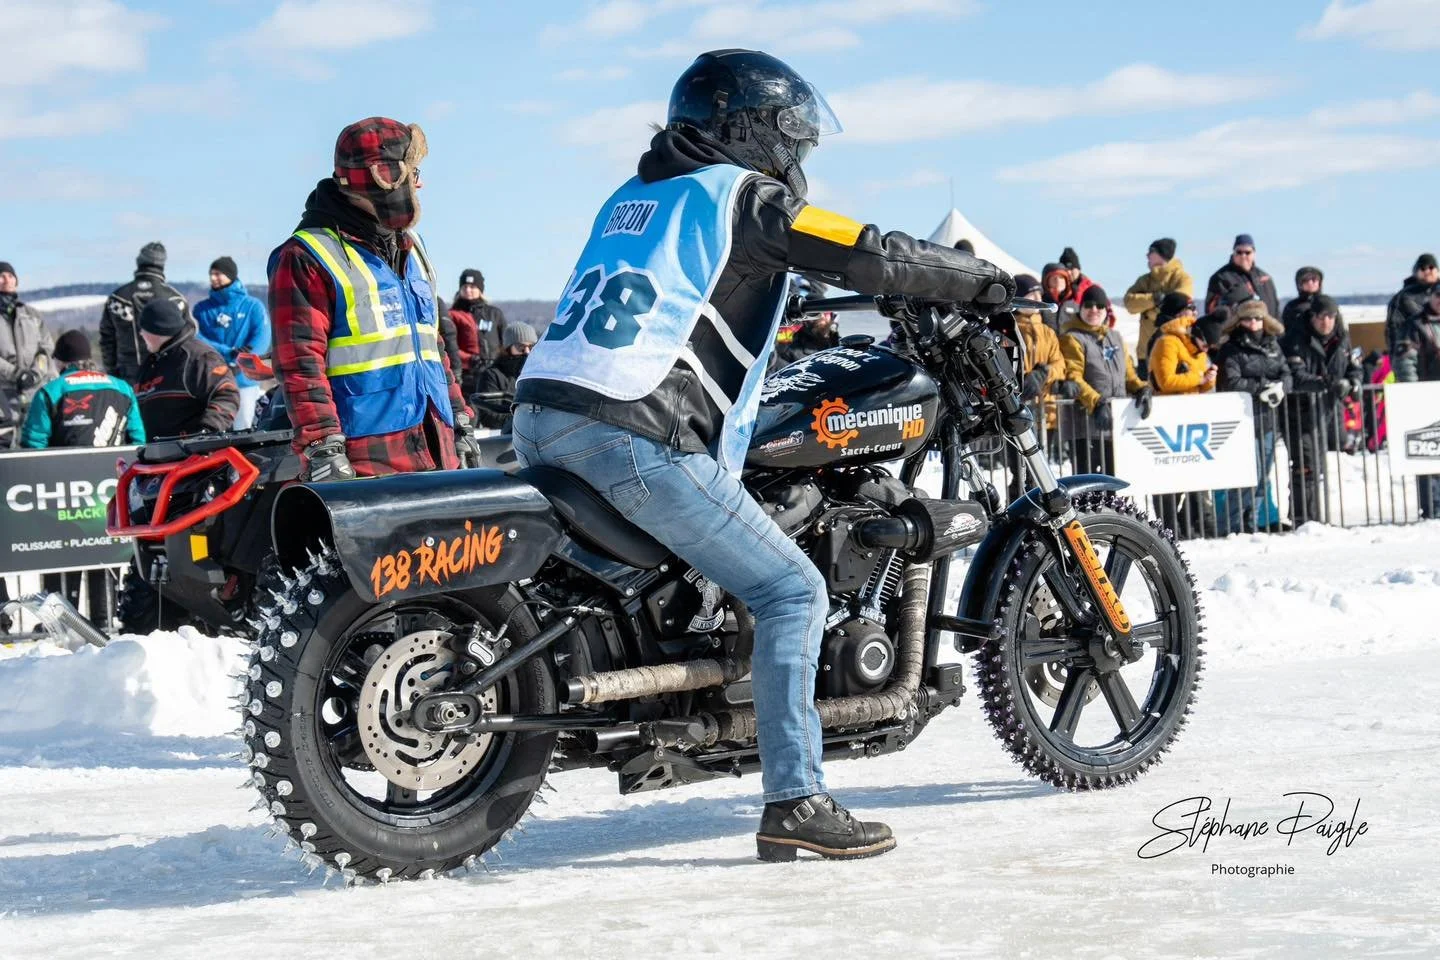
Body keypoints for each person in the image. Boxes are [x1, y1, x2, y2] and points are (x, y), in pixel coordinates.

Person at [513, 49, 1014, 861]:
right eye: (790, 139)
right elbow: (868, 249)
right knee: (791, 589)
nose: (796, 158)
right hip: (633, 430)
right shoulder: (741, 196)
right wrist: (977, 279)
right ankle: (797, 801)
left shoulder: (637, 196)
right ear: (744, 129)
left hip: (544, 415)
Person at [267, 117, 480, 481]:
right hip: (364, 459)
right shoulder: (306, 256)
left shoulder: (413, 249)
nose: (421, 183)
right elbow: (300, 366)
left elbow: (433, 347)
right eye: (414, 174)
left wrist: (459, 420)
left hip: (435, 445)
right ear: (387, 178)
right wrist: (322, 447)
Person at [21, 331, 146, 626]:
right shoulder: (122, 388)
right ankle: (103, 621)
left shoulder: (51, 391)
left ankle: (60, 620)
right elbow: (138, 440)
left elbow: (32, 446)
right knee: (102, 552)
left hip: (60, 494)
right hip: (108, 491)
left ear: (61, 361)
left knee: (60, 555)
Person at [1147, 294, 1220, 537]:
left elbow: (1195, 382)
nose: (1193, 313)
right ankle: (1169, 528)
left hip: (1189, 416)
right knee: (1168, 478)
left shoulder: (1194, 347)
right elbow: (1165, 380)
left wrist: (1207, 380)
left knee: (1192, 476)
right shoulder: (1167, 342)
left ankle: (1191, 526)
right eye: (1189, 309)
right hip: (1168, 418)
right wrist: (1198, 379)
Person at [1283, 295, 1360, 526]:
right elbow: (1296, 376)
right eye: (1321, 317)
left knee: (1318, 465)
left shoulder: (1342, 339)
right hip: (1300, 411)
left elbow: (1354, 368)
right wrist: (1328, 383)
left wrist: (1354, 383)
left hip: (1326, 411)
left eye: (1330, 316)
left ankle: (1315, 518)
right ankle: (1304, 519)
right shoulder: (1297, 338)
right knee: (1306, 467)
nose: (1326, 322)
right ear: (1313, 317)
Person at [1058, 286, 1152, 476]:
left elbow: (1129, 375)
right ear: (1081, 308)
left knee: (1113, 479)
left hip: (1115, 422)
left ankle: (1111, 507)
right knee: (1088, 483)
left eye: (1099, 306)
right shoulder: (1072, 338)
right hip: (1085, 423)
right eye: (1089, 305)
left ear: (1106, 310)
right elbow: (1073, 376)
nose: (1094, 310)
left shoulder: (1115, 337)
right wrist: (1097, 402)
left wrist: (1142, 388)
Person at [1216, 300, 1291, 533]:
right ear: (1240, 321)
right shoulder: (1232, 348)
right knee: (1245, 477)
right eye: (1248, 319)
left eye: (1258, 319)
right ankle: (1234, 524)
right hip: (1242, 421)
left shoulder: (1273, 346)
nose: (1253, 323)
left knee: (1262, 476)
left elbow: (1286, 373)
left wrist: (1281, 387)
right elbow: (1231, 380)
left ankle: (1254, 521)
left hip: (1267, 420)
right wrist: (1262, 387)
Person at [134, 298, 240, 437]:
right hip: (156, 452)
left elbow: (227, 394)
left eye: (144, 329)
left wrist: (207, 432)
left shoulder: (198, 357)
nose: (141, 334)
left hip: (195, 453)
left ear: (158, 330)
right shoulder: (150, 363)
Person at [194, 256, 272, 430]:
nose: (213, 278)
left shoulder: (253, 306)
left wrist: (244, 360)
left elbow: (262, 337)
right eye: (211, 274)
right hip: (213, 379)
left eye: (218, 273)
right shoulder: (201, 309)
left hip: (244, 380)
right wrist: (228, 352)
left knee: (242, 427)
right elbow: (198, 338)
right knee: (212, 428)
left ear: (230, 275)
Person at [1012, 274, 1071, 499]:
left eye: (1039, 293)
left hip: (1045, 408)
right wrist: (1025, 378)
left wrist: (1044, 373)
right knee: (1021, 470)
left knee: (1042, 471)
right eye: (1031, 294)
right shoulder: (1011, 328)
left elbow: (1060, 364)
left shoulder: (1048, 331)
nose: (1038, 298)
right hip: (1019, 408)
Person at [100, 242, 190, 385]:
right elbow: (187, 339)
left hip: (127, 378)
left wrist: (112, 373)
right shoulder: (175, 299)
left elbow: (107, 340)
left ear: (139, 261)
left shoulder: (117, 298)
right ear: (162, 265)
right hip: (167, 377)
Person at [1393, 283, 1440, 517]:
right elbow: (1404, 359)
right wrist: (1414, 392)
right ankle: (1433, 508)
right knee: (1429, 453)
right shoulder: (1415, 325)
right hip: (1427, 396)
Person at [1, 260, 55, 446]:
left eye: (10, 276)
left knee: (34, 441)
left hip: (33, 391)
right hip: (4, 393)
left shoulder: (32, 315)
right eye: (1, 276)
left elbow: (46, 348)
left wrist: (35, 373)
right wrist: (16, 374)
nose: (6, 280)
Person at [1123, 238, 1192, 370]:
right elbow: (1129, 303)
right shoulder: (1144, 280)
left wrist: (1148, 310)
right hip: (1145, 353)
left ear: (1162, 255)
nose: (1147, 256)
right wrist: (1154, 299)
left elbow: (1179, 304)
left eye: (1151, 252)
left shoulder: (1183, 278)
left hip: (1175, 350)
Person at [471, 321, 537, 429]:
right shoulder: (492, 375)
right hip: (503, 438)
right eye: (520, 347)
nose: (527, 352)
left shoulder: (535, 374)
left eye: (531, 347)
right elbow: (489, 416)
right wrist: (523, 419)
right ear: (508, 348)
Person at [1205, 233, 1280, 318]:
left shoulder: (1265, 279)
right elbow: (1211, 311)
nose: (1243, 256)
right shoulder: (1220, 278)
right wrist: (1234, 297)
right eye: (1239, 252)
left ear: (1254, 254)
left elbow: (1276, 311)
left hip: (1265, 329)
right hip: (1235, 329)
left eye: (1247, 252)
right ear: (1233, 253)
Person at [450, 267, 507, 374]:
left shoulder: (494, 314)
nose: (468, 290)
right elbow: (449, 346)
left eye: (472, 287)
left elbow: (505, 342)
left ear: (480, 289)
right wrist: (470, 360)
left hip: (494, 371)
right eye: (465, 286)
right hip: (466, 372)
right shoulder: (453, 315)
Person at [1386, 253, 1438, 365]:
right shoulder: (1403, 298)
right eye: (1423, 268)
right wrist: (1397, 361)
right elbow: (1394, 330)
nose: (1427, 271)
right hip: (1417, 360)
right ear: (1416, 271)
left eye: (1431, 267)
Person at [1280, 266, 1333, 342]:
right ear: (1299, 284)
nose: (1310, 283)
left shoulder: (1327, 304)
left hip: (1325, 346)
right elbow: (1284, 332)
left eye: (1314, 279)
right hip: (1298, 348)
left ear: (1319, 283)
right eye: (1305, 280)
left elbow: (1339, 332)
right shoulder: (1292, 307)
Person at [1039, 261, 1078, 335]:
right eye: (1054, 277)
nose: (1058, 281)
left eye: (1061, 277)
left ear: (1067, 281)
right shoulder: (1039, 303)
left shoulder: (1075, 306)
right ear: (1046, 281)